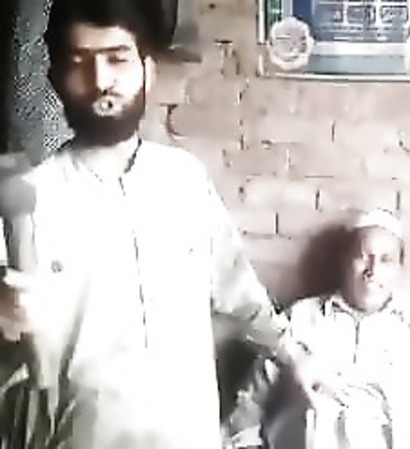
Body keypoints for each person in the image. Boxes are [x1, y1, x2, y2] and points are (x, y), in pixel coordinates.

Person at [0, 0, 313, 448]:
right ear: (57, 78)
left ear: (147, 70)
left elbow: (241, 295)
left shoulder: (185, 180)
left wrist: (294, 356)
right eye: (80, 62)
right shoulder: (26, 200)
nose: (100, 80)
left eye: (117, 59)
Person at [224, 209, 410, 449]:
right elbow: (252, 399)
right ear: (344, 264)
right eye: (362, 257)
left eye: (386, 260)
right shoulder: (302, 318)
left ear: (399, 269)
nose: (372, 271)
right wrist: (246, 442)